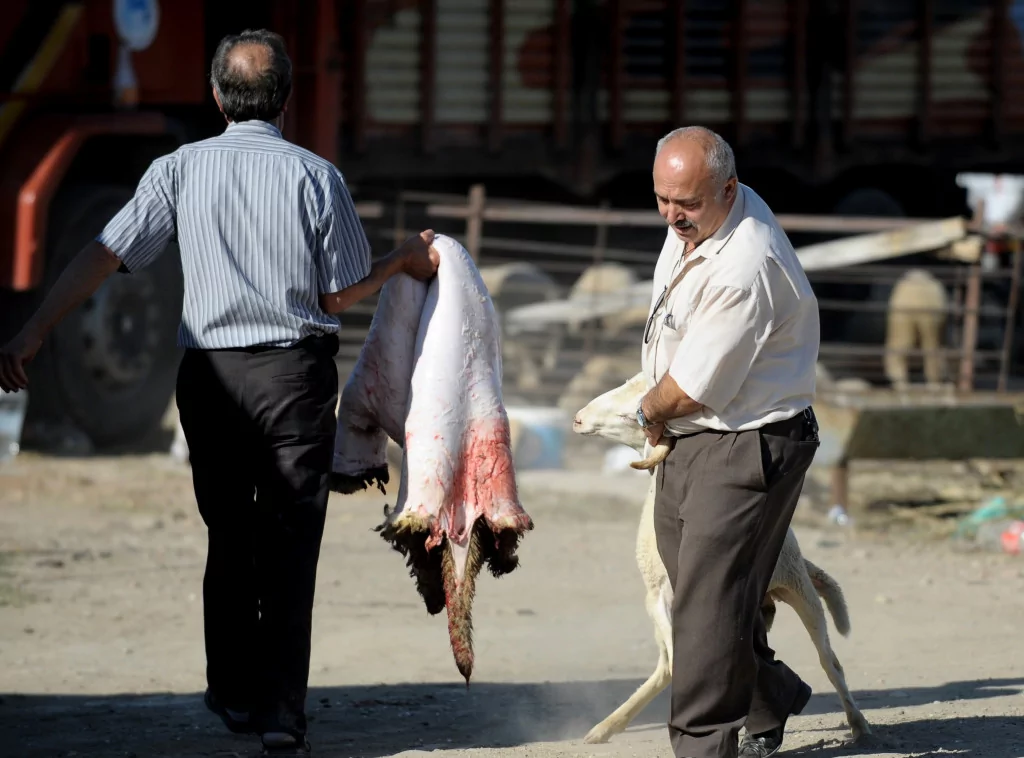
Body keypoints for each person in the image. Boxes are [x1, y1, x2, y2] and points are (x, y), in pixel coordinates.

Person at [0, 29, 439, 756]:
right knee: (291, 542)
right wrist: (400, 260)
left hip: (209, 380)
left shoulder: (178, 169)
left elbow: (106, 252)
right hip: (293, 381)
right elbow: (336, 297)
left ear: (215, 98)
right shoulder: (316, 177)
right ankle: (280, 715)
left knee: (230, 533)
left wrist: (34, 332)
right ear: (288, 101)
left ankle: (233, 692)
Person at [635, 126, 821, 758]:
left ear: (728, 189)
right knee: (705, 596)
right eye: (661, 198)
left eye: (683, 202)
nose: (670, 215)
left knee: (705, 614)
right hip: (695, 436)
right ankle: (770, 696)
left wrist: (644, 410)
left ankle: (703, 748)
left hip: (747, 440)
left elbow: (691, 387)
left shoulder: (747, 264)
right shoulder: (707, 214)